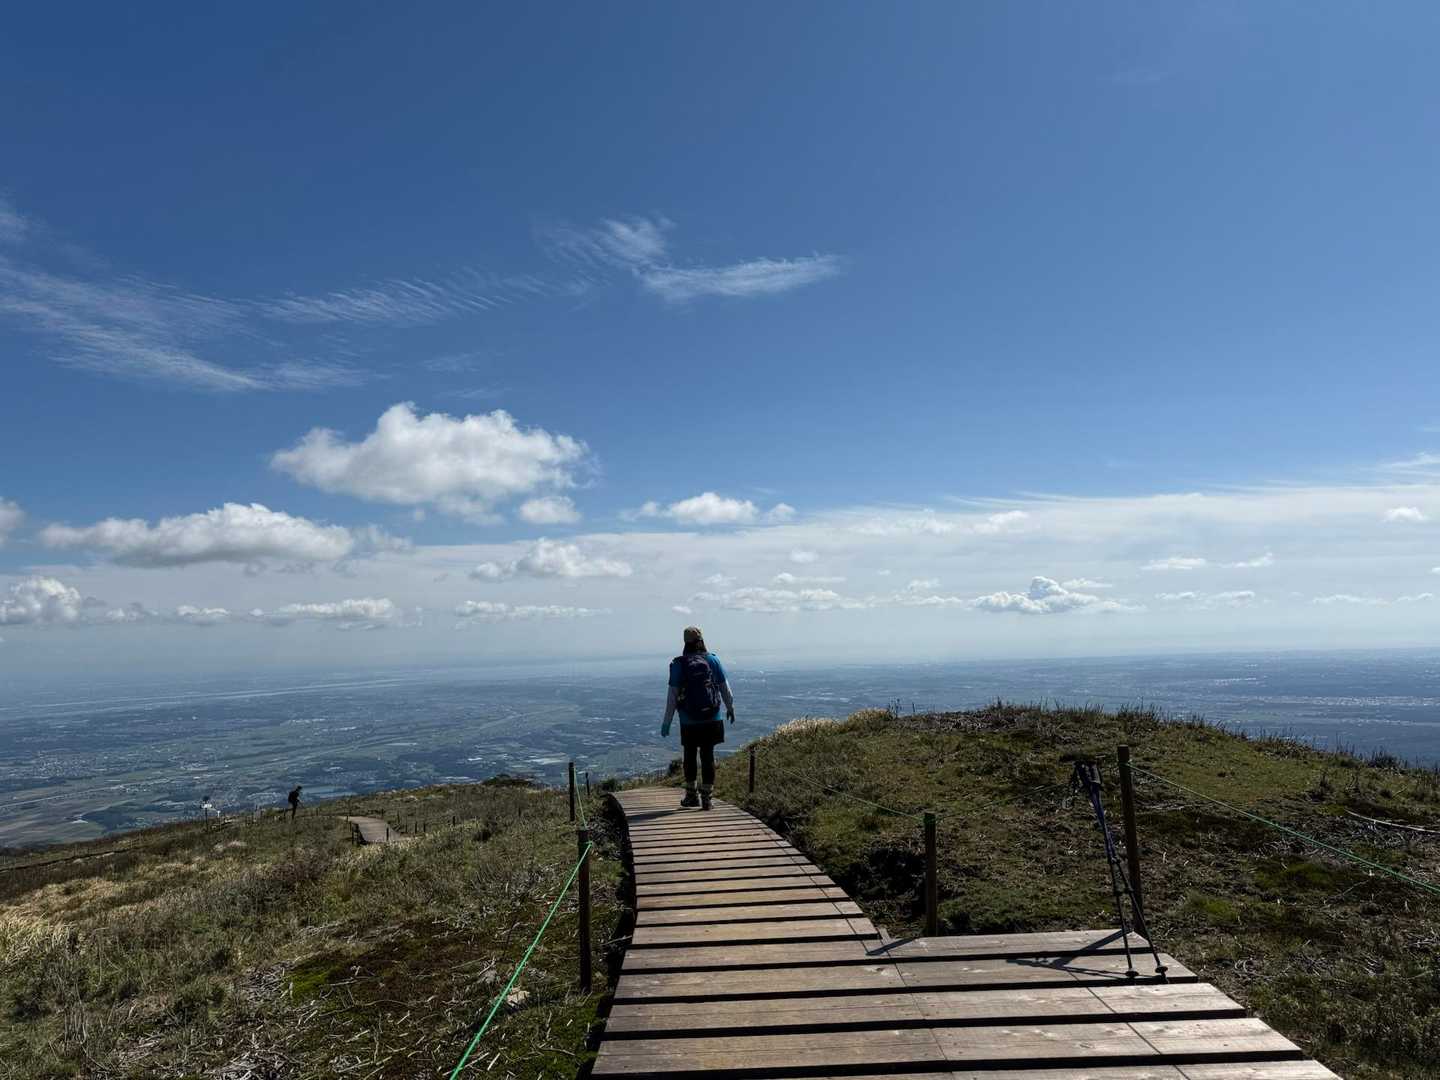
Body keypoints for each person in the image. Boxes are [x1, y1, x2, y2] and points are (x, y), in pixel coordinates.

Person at [661, 626, 735, 810]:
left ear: (685, 643)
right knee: (708, 756)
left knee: (690, 755)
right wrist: (730, 707)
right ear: (701, 640)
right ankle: (707, 798)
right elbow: (725, 688)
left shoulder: (679, 664)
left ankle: (691, 796)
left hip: (689, 719)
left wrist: (667, 722)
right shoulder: (713, 660)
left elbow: (672, 697)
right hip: (712, 717)